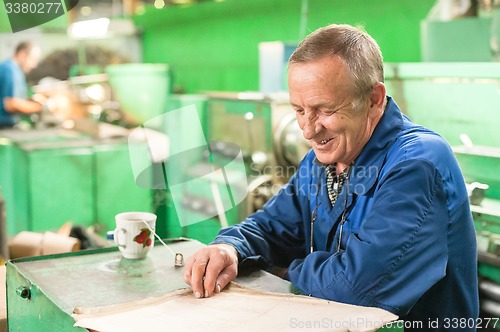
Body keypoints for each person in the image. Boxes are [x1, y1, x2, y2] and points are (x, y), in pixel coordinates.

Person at [184, 24, 479, 330]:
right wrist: (230, 248)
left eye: (324, 110)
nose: (308, 130)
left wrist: (286, 271)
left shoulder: (418, 164)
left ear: (374, 99)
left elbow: (357, 289)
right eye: (299, 110)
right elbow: (274, 226)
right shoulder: (321, 161)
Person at [0, 41, 42, 128]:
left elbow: (17, 98)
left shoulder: (15, 70)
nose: (34, 65)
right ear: (22, 54)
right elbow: (10, 103)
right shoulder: (10, 70)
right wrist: (42, 108)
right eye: (33, 59)